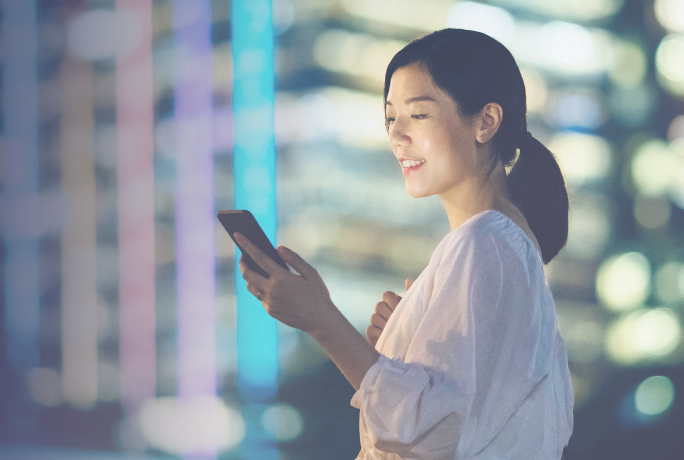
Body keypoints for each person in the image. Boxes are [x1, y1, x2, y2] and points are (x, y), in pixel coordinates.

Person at [233, 29, 574, 459]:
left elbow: (434, 432)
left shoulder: (483, 243)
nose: (397, 136)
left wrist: (321, 320)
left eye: (419, 115)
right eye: (391, 118)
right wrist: (404, 348)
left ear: (486, 122)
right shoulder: (500, 245)